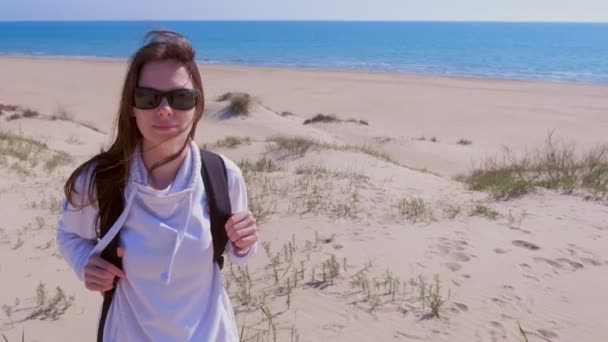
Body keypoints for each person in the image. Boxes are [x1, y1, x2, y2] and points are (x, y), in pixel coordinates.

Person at [56, 30, 258, 341]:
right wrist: (86, 262)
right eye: (148, 97)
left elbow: (238, 252)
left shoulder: (222, 175)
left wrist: (244, 242)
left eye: (180, 98)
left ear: (197, 106)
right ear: (132, 106)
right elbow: (69, 233)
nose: (164, 110)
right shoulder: (101, 179)